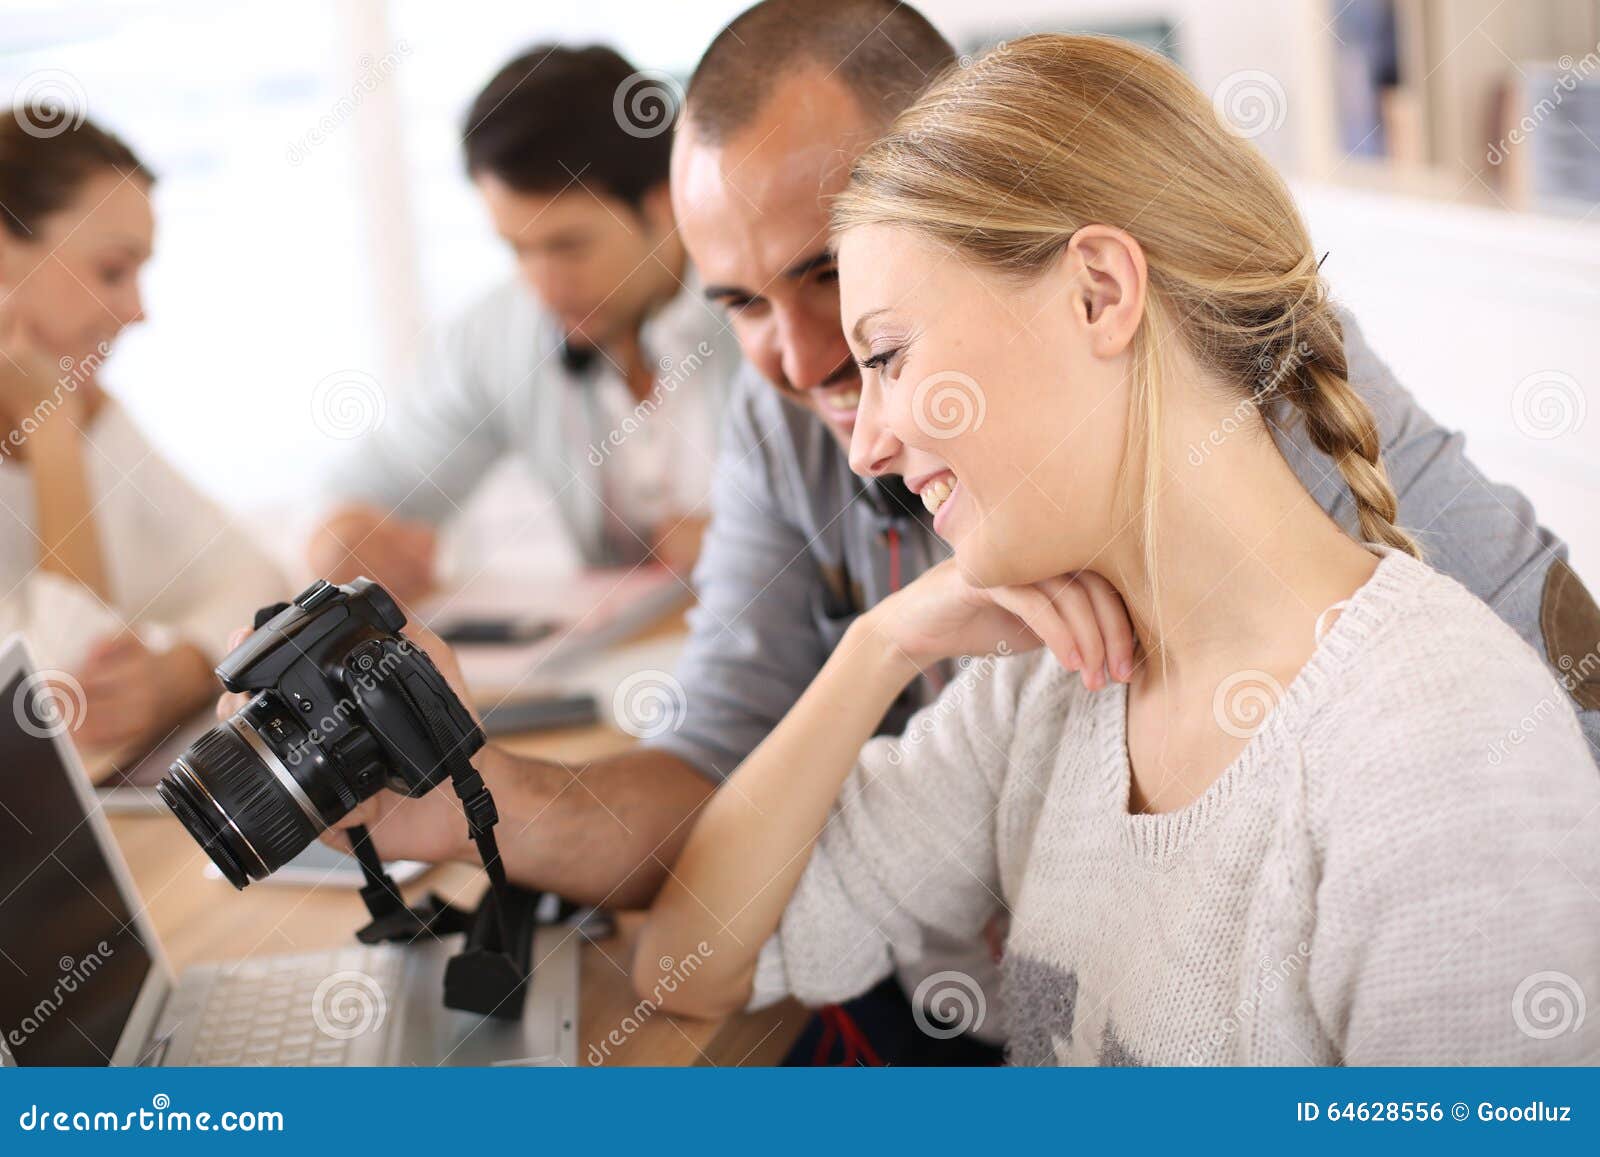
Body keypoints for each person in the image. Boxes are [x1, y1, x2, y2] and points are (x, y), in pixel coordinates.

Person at [302, 0, 1598, 1062]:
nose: (828, 397)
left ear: (1096, 280)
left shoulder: (1429, 738)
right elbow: (699, 912)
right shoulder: (1039, 682)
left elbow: (1526, 744)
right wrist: (879, 642)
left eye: (875, 333)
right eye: (744, 303)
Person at [307, 45, 743, 598]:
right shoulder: (497, 335)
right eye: (517, 249)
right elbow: (373, 486)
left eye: (568, 245)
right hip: (621, 669)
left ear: (663, 204)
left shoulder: (769, 310)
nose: (543, 284)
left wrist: (749, 543)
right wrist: (343, 538)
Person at [0, 109, 286, 753]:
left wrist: (181, 672)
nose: (136, 311)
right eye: (111, 271)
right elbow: (58, 720)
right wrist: (53, 441)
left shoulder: (95, 416)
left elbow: (258, 578)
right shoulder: (66, 414)